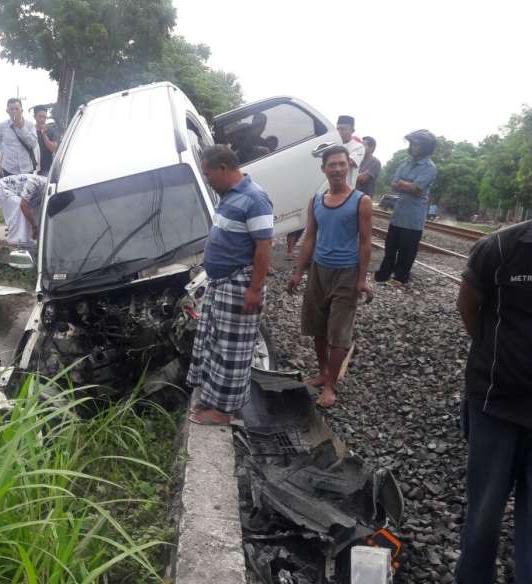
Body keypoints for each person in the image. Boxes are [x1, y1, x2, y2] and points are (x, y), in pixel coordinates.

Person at [454, 219, 532, 584]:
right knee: (483, 517)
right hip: (495, 406)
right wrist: (497, 358)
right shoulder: (501, 247)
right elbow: (468, 305)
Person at [187, 145, 273, 426]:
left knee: (233, 352)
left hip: (240, 285)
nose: (207, 179)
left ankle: (223, 412)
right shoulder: (230, 196)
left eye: (207, 174)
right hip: (222, 284)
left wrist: (254, 290)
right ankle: (214, 399)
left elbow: (264, 247)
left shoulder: (255, 199)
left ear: (223, 169)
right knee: (216, 345)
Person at [287, 145, 372, 407]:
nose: (337, 169)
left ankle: (331, 386)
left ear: (349, 166)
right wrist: (298, 272)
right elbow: (309, 238)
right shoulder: (316, 201)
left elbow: (365, 243)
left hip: (347, 273)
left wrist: (362, 279)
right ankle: (324, 373)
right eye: (331, 165)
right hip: (318, 271)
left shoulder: (361, 201)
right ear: (323, 169)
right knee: (318, 327)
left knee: (339, 332)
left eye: (341, 164)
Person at [374, 130, 437, 284]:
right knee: (390, 248)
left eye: (417, 144)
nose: (413, 147)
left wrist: (404, 184)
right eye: (412, 144)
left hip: (413, 218)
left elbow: (417, 189)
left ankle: (400, 278)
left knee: (406, 251)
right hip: (398, 215)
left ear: (426, 147)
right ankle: (383, 275)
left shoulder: (429, 167)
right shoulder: (405, 163)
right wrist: (408, 185)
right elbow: (394, 184)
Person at [0, 98, 39, 177]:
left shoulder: (30, 125)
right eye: (11, 109)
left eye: (17, 109)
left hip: (27, 169)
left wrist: (22, 127)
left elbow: (33, 144)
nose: (14, 111)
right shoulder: (1, 126)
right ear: (7, 111)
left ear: (21, 110)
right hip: (9, 168)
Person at [336, 115, 365, 187]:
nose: (339, 132)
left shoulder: (358, 147)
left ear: (352, 131)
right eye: (338, 129)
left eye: (343, 129)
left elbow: (349, 162)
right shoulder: (333, 144)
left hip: (347, 189)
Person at [19, 173, 49, 240]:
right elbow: (23, 205)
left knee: (34, 216)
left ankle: (32, 238)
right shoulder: (33, 182)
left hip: (33, 193)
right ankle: (18, 241)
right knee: (21, 214)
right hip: (6, 190)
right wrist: (34, 225)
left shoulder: (44, 187)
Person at [34, 105, 59, 177]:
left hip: (46, 170)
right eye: (40, 117)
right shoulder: (30, 130)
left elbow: (53, 149)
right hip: (32, 169)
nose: (42, 119)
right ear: (35, 117)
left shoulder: (51, 131)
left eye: (44, 117)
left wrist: (44, 134)